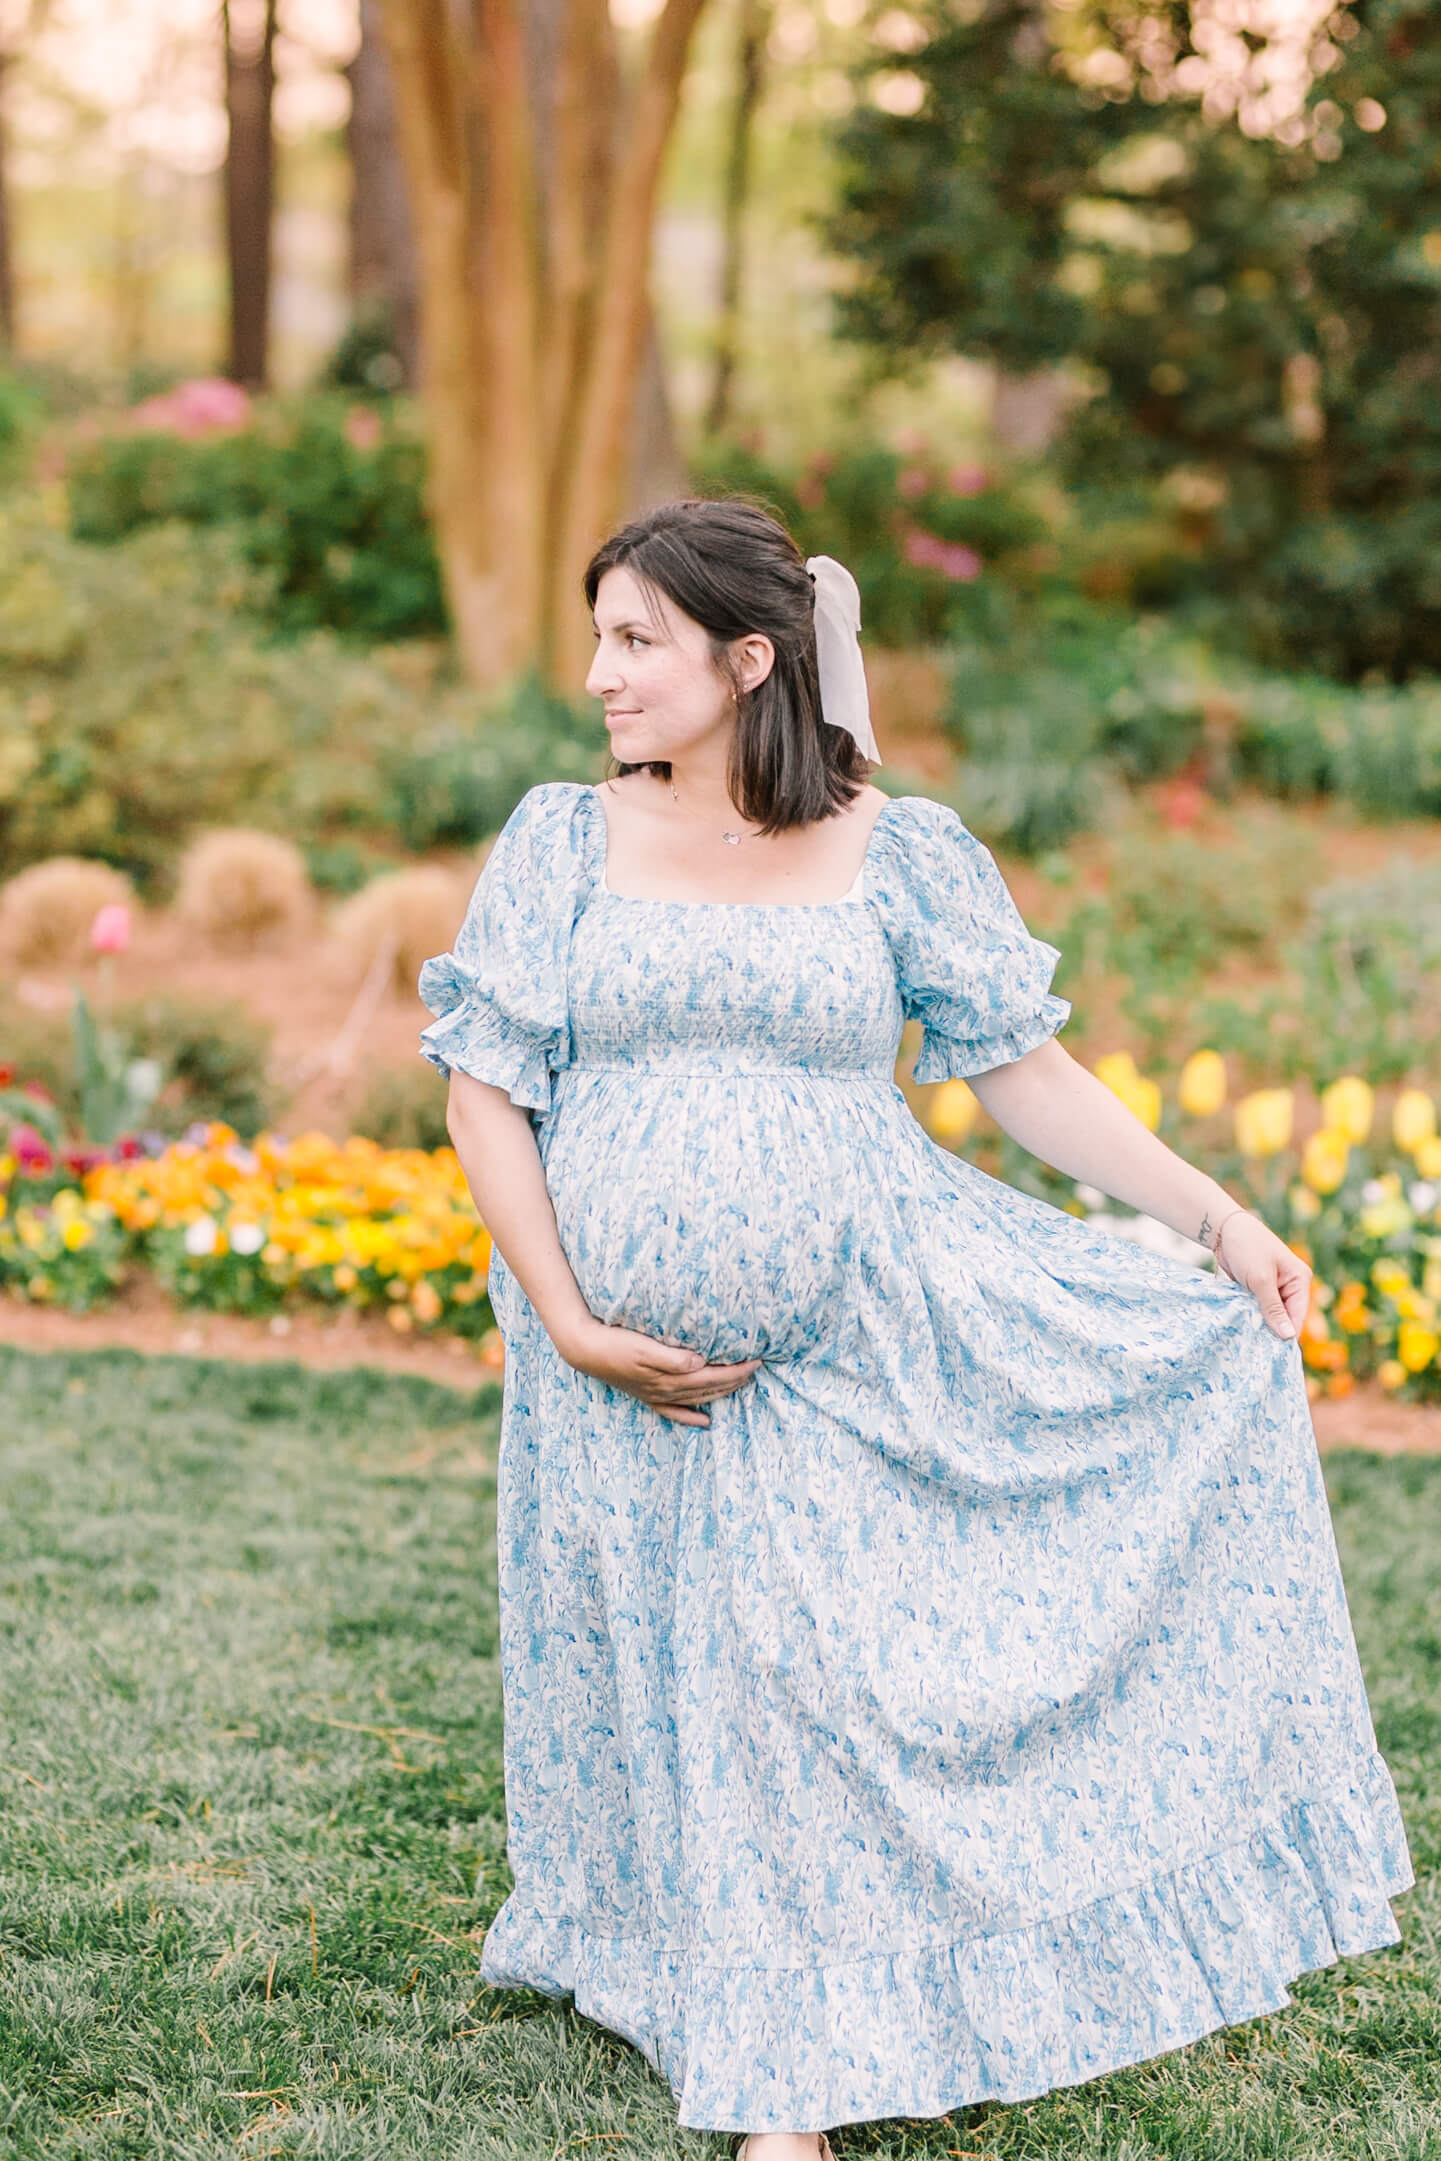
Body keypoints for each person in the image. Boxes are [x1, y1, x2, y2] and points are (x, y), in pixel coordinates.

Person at [417, 496, 1413, 2160]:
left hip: (861, 1331)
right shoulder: (559, 841)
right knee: (697, 1683)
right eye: (597, 637)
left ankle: (790, 2095)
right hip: (613, 1374)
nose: (598, 674)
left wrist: (1217, 1221)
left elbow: (1018, 1068)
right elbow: (481, 1091)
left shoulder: (896, 848)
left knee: (795, 1682)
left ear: (750, 659)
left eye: (635, 640)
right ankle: (702, 1976)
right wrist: (570, 1318)